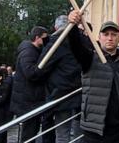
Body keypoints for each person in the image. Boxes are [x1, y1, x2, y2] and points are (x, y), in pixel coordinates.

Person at [68, 10, 119, 142]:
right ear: (99, 37)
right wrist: (73, 25)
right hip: (94, 129)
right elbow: (75, 45)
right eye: (106, 34)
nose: (110, 38)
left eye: (114, 34)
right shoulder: (89, 58)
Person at [39, 15, 82, 143]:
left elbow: (41, 67)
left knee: (63, 134)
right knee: (78, 133)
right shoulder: (78, 41)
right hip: (78, 94)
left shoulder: (56, 43)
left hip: (62, 95)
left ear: (56, 27)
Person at [10, 26, 49, 143]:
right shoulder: (29, 52)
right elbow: (31, 73)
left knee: (31, 132)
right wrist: (45, 69)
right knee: (29, 134)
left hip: (29, 99)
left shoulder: (31, 51)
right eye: (44, 38)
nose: (46, 41)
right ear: (37, 38)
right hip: (28, 101)